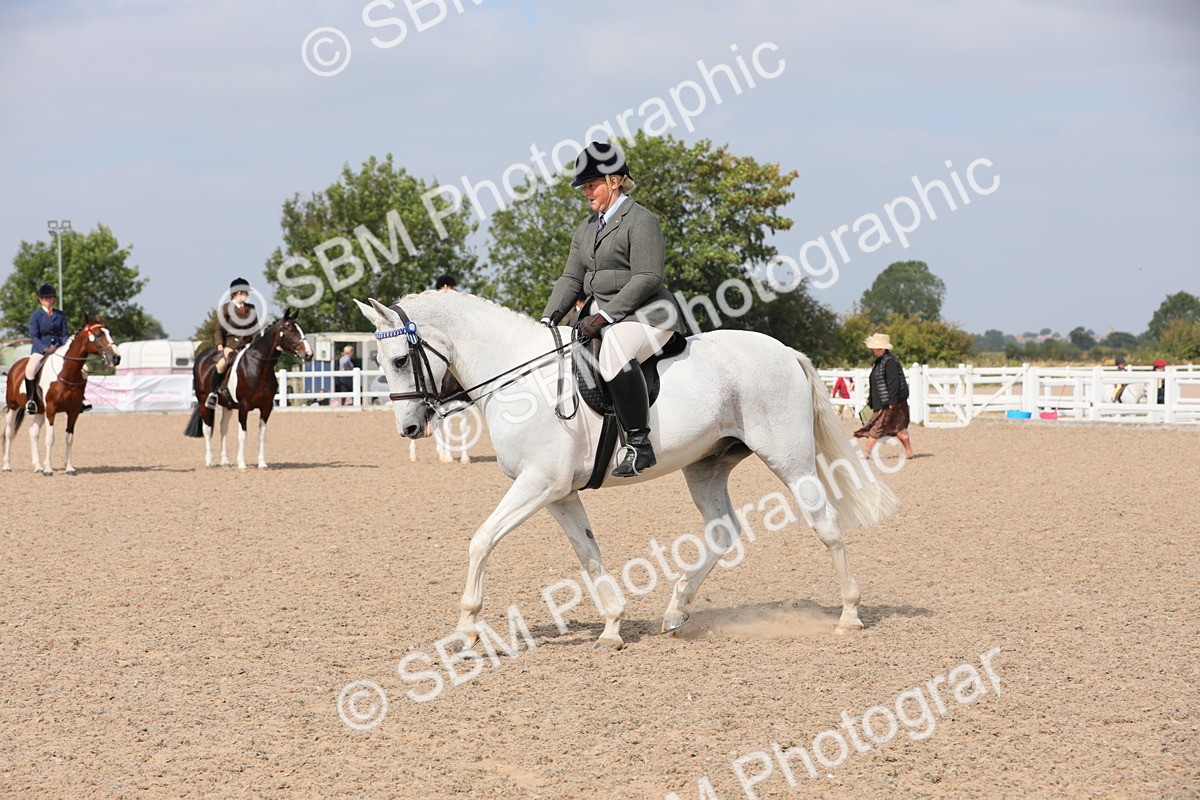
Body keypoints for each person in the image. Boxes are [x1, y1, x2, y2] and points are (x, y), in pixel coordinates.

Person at [540, 141, 688, 477]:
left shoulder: (640, 220)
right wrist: (548, 318)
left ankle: (639, 444)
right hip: (600, 315)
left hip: (648, 313)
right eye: (584, 187)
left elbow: (649, 277)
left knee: (615, 350)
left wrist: (605, 315)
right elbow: (570, 278)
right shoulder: (586, 228)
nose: (586, 193)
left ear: (614, 181)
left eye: (591, 185)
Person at [854, 332, 915, 459]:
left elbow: (894, 382)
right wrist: (871, 398)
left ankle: (866, 452)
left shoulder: (889, 361)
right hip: (888, 400)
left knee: (877, 426)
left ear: (880, 347)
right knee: (899, 426)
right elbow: (876, 382)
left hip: (889, 402)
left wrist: (892, 400)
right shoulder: (881, 361)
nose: (872, 350)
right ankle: (909, 451)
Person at [206, 278, 261, 409]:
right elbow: (219, 329)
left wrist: (255, 343)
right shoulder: (225, 308)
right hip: (230, 346)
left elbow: (255, 330)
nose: (247, 295)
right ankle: (212, 394)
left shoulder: (251, 309)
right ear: (236, 293)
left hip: (247, 346)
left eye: (247, 292)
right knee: (221, 364)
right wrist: (220, 346)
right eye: (245, 292)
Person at [24, 283, 68, 413]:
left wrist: (63, 347)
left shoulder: (60, 315)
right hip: (40, 349)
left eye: (51, 298)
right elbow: (34, 335)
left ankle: (80, 400)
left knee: (79, 368)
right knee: (30, 370)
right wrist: (44, 349)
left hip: (58, 349)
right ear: (41, 300)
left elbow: (64, 334)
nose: (49, 300)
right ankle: (31, 400)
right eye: (46, 298)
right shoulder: (36, 315)